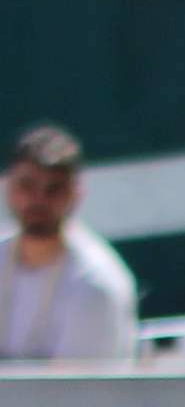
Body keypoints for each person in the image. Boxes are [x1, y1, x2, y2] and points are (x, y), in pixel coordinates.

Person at [1, 125, 138, 364]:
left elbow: (78, 394)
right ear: (7, 187)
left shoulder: (96, 285)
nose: (38, 200)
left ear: (76, 194)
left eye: (53, 189)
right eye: (27, 185)